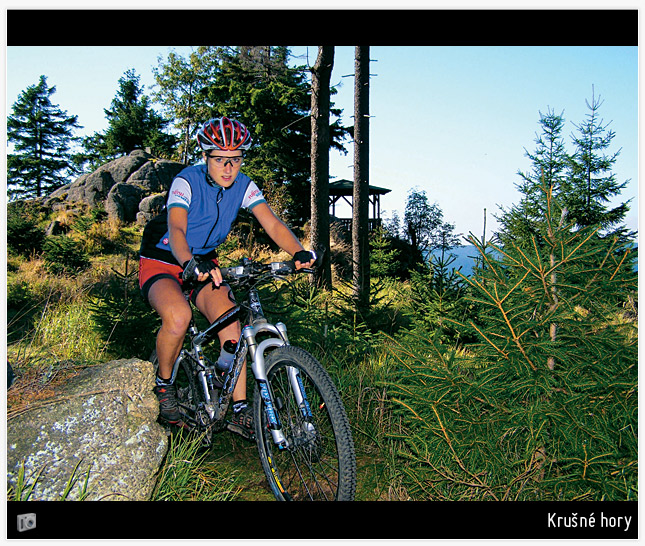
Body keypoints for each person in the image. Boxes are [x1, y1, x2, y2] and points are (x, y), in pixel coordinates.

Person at [138, 117, 316, 439]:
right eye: (220, 159)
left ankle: (237, 406)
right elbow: (176, 229)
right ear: (206, 156)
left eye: (235, 159)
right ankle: (164, 385)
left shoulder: (245, 186)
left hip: (206, 263)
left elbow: (272, 223)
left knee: (232, 323)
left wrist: (298, 251)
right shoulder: (186, 182)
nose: (228, 168)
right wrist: (189, 262)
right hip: (164, 258)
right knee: (178, 317)